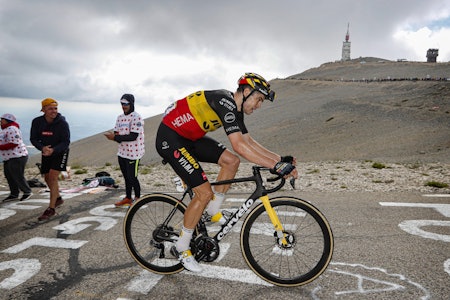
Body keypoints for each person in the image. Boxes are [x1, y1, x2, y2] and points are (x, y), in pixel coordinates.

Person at [155, 73, 298, 272]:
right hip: (170, 139)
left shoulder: (234, 108)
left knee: (231, 161)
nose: (258, 106)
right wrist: (275, 167)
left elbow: (248, 142)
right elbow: (239, 145)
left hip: (190, 139)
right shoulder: (225, 102)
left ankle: (213, 211)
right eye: (258, 99)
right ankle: (181, 247)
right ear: (246, 92)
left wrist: (278, 159)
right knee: (204, 193)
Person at [30, 98, 70, 221]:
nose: (54, 111)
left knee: (53, 177)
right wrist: (42, 148)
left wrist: (53, 150)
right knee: (47, 178)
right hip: (46, 152)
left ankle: (51, 209)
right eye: (50, 109)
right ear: (43, 110)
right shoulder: (37, 122)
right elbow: (33, 138)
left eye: (55, 108)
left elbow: (66, 142)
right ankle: (57, 198)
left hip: (60, 152)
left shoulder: (62, 123)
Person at [104, 94, 145, 207]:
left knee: (133, 177)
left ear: (131, 103)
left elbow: (133, 136)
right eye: (122, 104)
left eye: (126, 104)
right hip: (122, 152)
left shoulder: (137, 117)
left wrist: (115, 137)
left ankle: (137, 198)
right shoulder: (120, 117)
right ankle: (128, 197)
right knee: (126, 177)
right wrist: (114, 136)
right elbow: (117, 133)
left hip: (134, 153)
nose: (123, 106)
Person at [0, 113, 32, 202]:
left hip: (17, 156)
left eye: (2, 119)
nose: (0, 121)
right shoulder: (5, 129)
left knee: (17, 175)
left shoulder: (12, 129)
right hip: (9, 157)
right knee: (9, 175)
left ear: (7, 120)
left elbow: (14, 143)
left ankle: (27, 192)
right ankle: (14, 194)